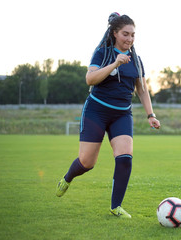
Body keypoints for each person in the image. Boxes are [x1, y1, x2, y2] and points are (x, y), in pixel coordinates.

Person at [56, 12, 160, 219]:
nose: (129, 39)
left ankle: (116, 207)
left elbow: (142, 90)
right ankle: (67, 178)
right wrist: (115, 64)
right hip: (96, 111)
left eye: (132, 35)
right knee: (87, 163)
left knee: (125, 158)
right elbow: (90, 79)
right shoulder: (102, 53)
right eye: (125, 34)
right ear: (114, 33)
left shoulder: (137, 60)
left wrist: (150, 115)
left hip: (122, 114)